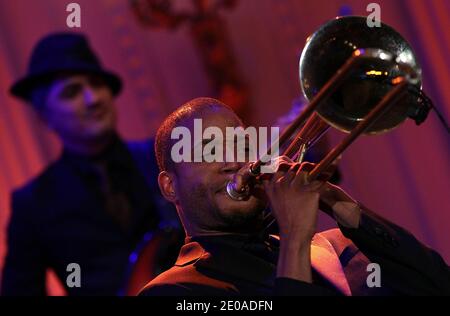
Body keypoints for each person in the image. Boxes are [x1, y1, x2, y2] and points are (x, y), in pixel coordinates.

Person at [139, 97, 450, 296]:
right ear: (169, 186)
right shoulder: (175, 290)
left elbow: (437, 283)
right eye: (209, 151)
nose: (234, 161)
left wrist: (339, 203)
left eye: (243, 145)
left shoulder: (340, 246)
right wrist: (295, 237)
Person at [1, 33, 181, 296]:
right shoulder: (32, 204)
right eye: (72, 91)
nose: (93, 99)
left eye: (97, 84)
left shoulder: (162, 157)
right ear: (44, 115)